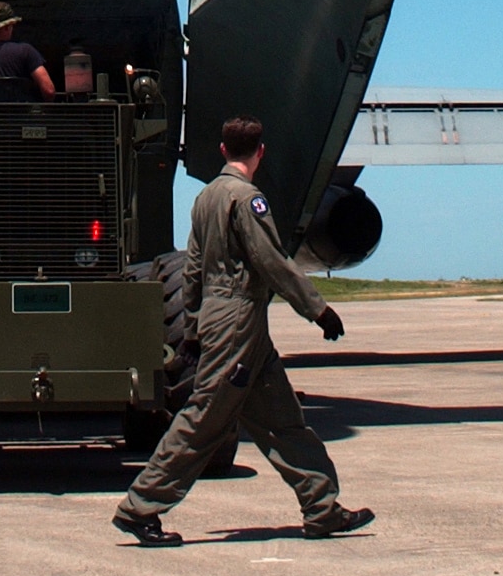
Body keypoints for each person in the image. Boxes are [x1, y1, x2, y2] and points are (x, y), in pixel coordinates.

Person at [112, 115, 374, 546]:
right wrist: (318, 309)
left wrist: (194, 326)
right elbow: (271, 260)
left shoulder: (206, 198)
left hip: (229, 324)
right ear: (260, 153)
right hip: (238, 323)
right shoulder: (247, 199)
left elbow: (192, 268)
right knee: (203, 420)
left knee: (284, 421)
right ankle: (140, 507)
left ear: (222, 151)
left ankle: (321, 508)